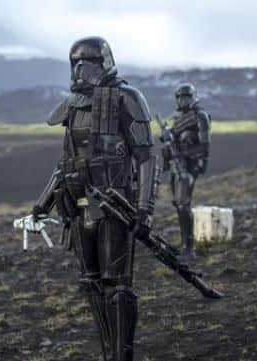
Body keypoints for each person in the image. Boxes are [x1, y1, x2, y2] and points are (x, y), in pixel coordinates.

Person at [31, 36, 157, 361]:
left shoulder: (127, 99)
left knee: (117, 286)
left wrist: (145, 209)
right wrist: (42, 205)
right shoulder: (71, 106)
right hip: (77, 205)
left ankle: (121, 356)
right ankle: (107, 354)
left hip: (115, 206)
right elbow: (66, 164)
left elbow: (145, 157)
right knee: (91, 284)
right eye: (76, 64)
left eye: (87, 63)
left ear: (105, 63)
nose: (81, 70)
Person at [161, 83, 211, 262]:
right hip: (176, 164)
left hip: (188, 166)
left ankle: (189, 249)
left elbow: (204, 146)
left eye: (187, 97)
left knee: (183, 204)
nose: (183, 101)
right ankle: (185, 244)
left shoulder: (201, 116)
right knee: (178, 204)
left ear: (194, 97)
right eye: (180, 97)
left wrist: (184, 154)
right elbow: (171, 140)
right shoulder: (177, 118)